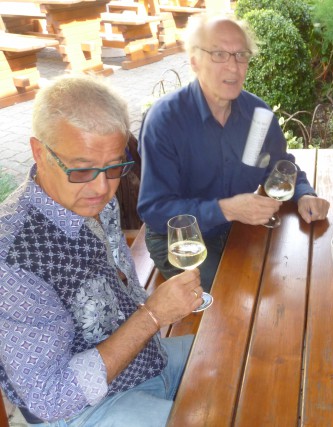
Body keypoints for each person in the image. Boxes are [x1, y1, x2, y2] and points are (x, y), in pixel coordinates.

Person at [0, 76, 204, 425]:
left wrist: (149, 317)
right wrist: (153, 316)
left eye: (113, 167)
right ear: (39, 152)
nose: (101, 188)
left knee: (235, 357)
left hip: (144, 358)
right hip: (83, 408)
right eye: (82, 169)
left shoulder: (91, 200)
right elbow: (50, 397)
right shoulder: (13, 258)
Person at [137, 15, 329, 292]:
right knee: (232, 294)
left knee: (296, 277)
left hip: (240, 226)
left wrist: (304, 193)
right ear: (194, 61)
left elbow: (280, 166)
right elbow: (155, 210)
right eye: (219, 54)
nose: (233, 66)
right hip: (182, 242)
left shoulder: (257, 114)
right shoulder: (165, 121)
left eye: (241, 55)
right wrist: (226, 209)